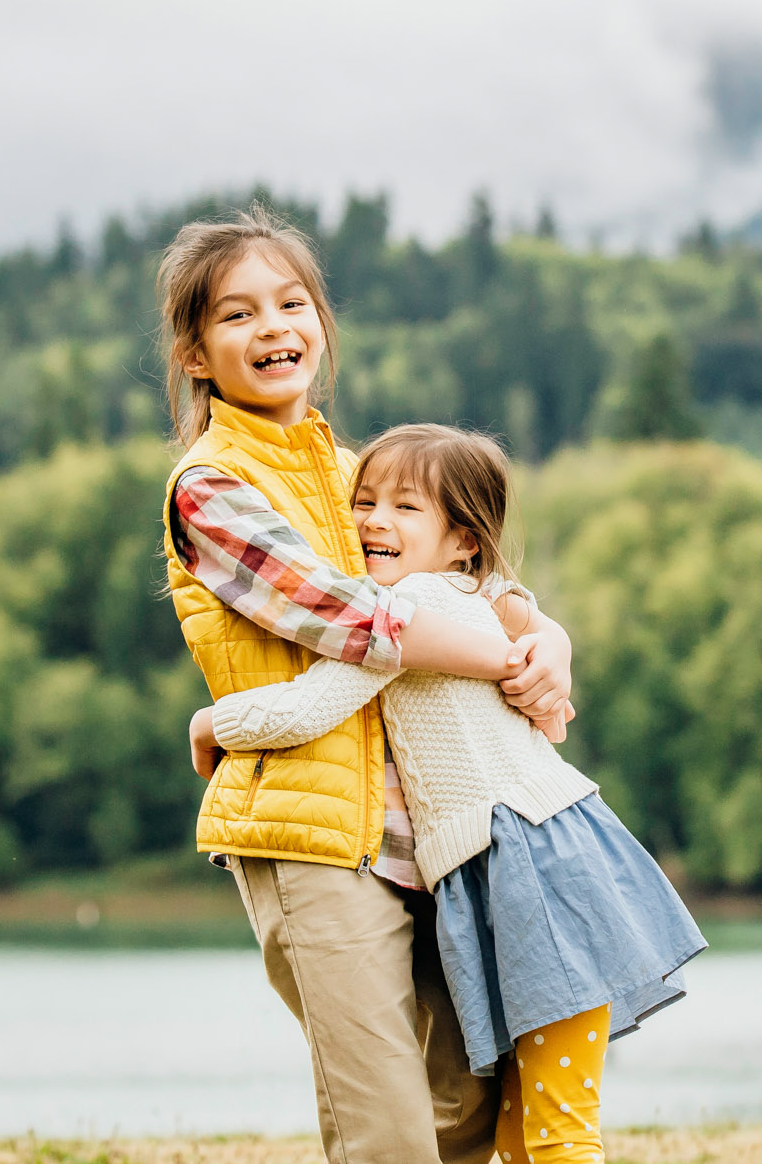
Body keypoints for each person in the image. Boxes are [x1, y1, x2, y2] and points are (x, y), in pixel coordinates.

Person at [156, 207, 578, 1164]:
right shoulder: (210, 487)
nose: (272, 328)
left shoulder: (359, 472)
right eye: (236, 315)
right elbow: (349, 617)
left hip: (430, 829)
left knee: (470, 1097)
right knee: (385, 1128)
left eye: (291, 302)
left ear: (321, 321)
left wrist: (541, 630)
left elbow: (462, 579)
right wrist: (497, 659)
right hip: (308, 834)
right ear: (193, 351)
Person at [200, 424, 706, 1163]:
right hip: (526, 866)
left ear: (463, 538)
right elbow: (515, 607)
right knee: (523, 1131)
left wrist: (214, 720)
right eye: (364, 501)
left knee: (557, 1134)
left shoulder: (403, 615)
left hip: (532, 872)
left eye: (405, 508)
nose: (374, 520)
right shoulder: (478, 597)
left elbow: (309, 706)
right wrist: (550, 637)